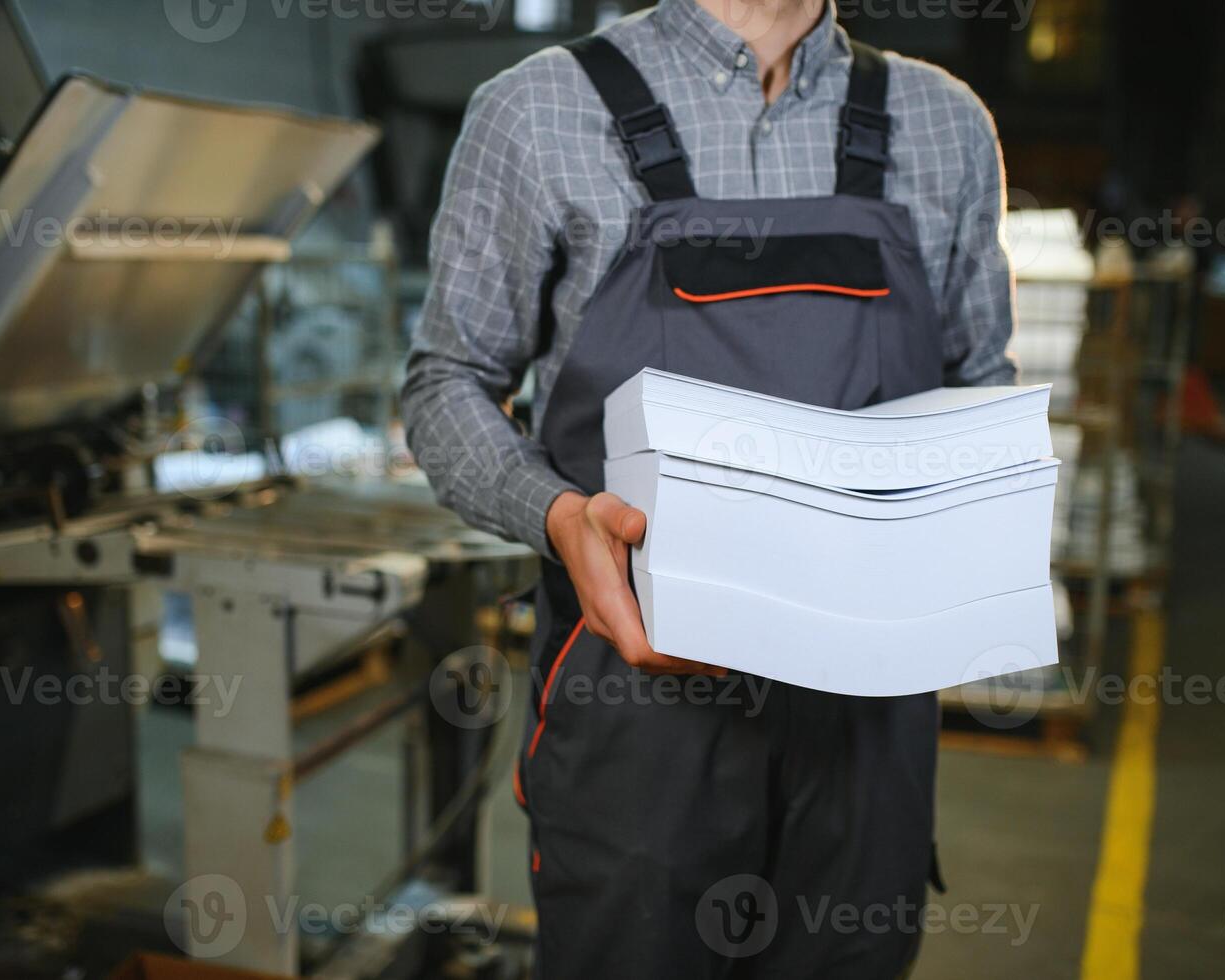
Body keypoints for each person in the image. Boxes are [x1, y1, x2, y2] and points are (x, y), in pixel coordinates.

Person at [402, 0, 1016, 975]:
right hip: (636, 701)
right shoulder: (540, 110)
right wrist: (557, 516)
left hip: (867, 713)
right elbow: (447, 382)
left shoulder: (945, 122)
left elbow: (978, 385)